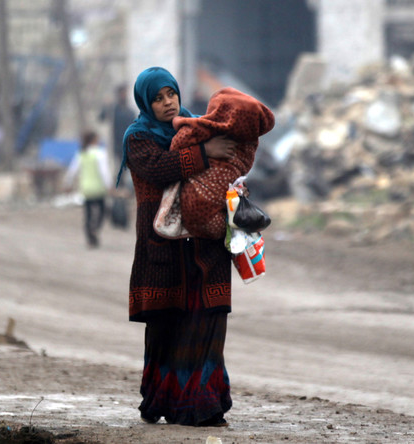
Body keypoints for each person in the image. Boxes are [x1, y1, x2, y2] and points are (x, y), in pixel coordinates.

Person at [118, 66, 237, 427]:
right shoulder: (137, 138)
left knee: (208, 322)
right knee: (168, 327)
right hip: (163, 251)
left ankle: (204, 405)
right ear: (145, 102)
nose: (168, 103)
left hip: (205, 246)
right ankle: (164, 400)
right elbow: (159, 168)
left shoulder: (196, 128)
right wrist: (205, 153)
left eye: (171, 94)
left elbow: (229, 164)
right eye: (158, 98)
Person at [168, 86, 275, 239]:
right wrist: (204, 150)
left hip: (206, 210)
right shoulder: (246, 143)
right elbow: (167, 161)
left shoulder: (205, 130)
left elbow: (178, 143)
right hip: (200, 212)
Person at [63, 130, 112, 248]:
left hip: (86, 189)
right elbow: (104, 172)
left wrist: (67, 183)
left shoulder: (81, 154)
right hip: (99, 188)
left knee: (88, 214)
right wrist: (109, 185)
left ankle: (90, 237)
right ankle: (95, 229)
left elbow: (72, 171)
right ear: (94, 140)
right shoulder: (100, 153)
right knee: (102, 211)